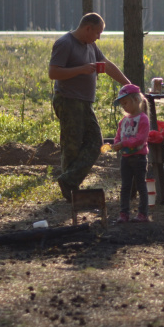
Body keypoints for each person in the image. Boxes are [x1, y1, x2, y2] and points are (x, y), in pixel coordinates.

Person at [48, 13, 133, 202]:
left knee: (96, 143)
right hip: (68, 100)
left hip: (85, 102)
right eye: (97, 32)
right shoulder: (65, 43)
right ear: (88, 28)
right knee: (71, 146)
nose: (99, 37)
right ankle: (70, 189)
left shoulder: (91, 45)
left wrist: (128, 86)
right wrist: (81, 69)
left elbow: (107, 65)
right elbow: (53, 72)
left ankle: (68, 181)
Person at [112, 84, 151, 223]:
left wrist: (124, 143)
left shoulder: (143, 119)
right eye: (122, 104)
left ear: (136, 100)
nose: (124, 106)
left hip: (139, 157)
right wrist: (117, 143)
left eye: (125, 103)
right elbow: (118, 136)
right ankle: (124, 213)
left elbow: (141, 138)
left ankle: (143, 213)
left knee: (141, 185)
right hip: (125, 158)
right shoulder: (123, 121)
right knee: (125, 186)